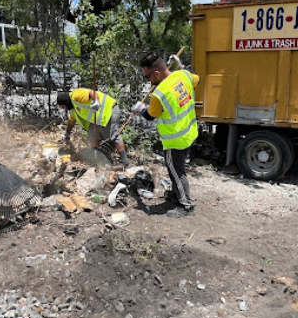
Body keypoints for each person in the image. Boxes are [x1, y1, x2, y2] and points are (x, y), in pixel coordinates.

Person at [134, 52, 199, 217]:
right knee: (178, 170)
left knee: (177, 172)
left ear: (156, 73)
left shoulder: (159, 94)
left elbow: (150, 115)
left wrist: (140, 108)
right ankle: (177, 195)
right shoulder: (183, 76)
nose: (148, 80)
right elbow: (195, 78)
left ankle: (186, 206)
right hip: (189, 132)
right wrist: (181, 67)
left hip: (174, 140)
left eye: (148, 76)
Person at [57, 88, 130, 166]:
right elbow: (71, 121)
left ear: (65, 102)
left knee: (113, 135)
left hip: (108, 110)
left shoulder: (76, 95)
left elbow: (92, 93)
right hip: (98, 118)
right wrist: (67, 133)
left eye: (62, 106)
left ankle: (125, 161)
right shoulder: (72, 109)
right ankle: (98, 161)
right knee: (93, 137)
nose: (62, 108)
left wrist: (96, 101)